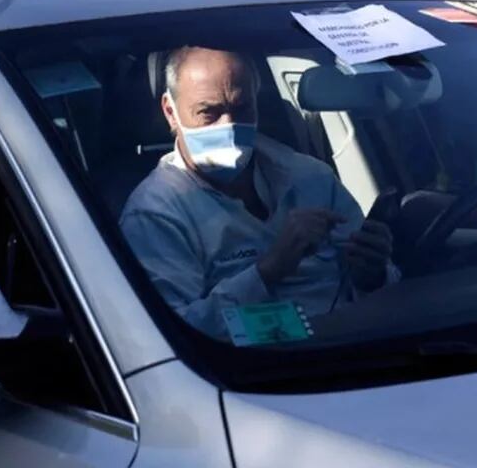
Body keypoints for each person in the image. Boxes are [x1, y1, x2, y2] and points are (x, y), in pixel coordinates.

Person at [119, 46, 399, 339]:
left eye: (241, 109)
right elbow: (173, 336)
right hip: (253, 372)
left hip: (359, 346)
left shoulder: (310, 178)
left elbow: (379, 294)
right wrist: (267, 271)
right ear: (170, 113)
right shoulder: (155, 214)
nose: (228, 126)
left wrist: (372, 274)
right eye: (209, 113)